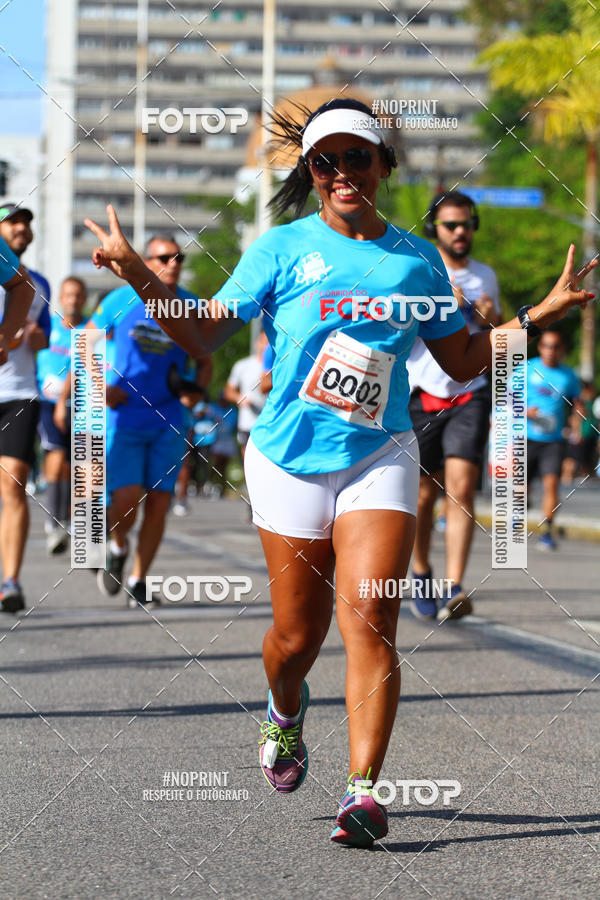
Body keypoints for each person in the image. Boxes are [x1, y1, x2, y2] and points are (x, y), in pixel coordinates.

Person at [83, 97, 596, 848]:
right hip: (288, 458)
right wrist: (136, 272)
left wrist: (536, 317)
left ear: (384, 166)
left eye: (359, 156)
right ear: (312, 173)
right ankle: (285, 708)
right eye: (327, 161)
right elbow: (201, 334)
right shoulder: (280, 249)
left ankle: (362, 794)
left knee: (371, 616)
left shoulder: (418, 260)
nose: (343, 172)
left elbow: (457, 361)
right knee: (295, 639)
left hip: (379, 452)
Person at [85, 234, 210, 608]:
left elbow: (205, 359)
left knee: (158, 501)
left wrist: (196, 391)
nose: (172, 263)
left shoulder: (191, 304)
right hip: (125, 417)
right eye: (162, 257)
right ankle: (117, 545)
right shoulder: (121, 299)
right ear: (146, 261)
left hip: (170, 418)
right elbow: (85, 342)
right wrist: (101, 390)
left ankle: (139, 580)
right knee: (126, 500)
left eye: (178, 257)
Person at [406, 191, 502, 622]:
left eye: (465, 224)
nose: (460, 232)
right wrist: (446, 303)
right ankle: (422, 570)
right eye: (450, 225)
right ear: (434, 230)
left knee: (461, 487)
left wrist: (490, 315)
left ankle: (455, 587)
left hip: (471, 390)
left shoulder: (486, 274)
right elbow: (402, 328)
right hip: (422, 391)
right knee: (424, 494)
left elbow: (499, 335)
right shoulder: (421, 270)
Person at [0, 204, 50, 612]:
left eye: (25, 222)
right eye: (12, 220)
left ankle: (11, 582)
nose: (20, 228)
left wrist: (11, 336)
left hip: (19, 391)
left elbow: (46, 337)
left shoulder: (39, 282)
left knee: (13, 482)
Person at [36, 276, 88, 553]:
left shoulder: (91, 329)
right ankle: (54, 523)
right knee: (54, 457)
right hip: (47, 402)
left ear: (84, 298)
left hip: (81, 404)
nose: (73, 300)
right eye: (68, 294)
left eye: (78, 295)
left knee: (74, 465)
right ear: (61, 297)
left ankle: (69, 520)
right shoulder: (50, 326)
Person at [526, 328, 581, 550]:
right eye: (546, 345)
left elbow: (577, 403)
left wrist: (577, 423)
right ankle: (521, 506)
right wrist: (524, 411)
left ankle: (547, 531)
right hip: (525, 436)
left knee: (552, 484)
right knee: (521, 488)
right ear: (540, 347)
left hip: (554, 439)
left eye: (555, 346)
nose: (550, 351)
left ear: (561, 349)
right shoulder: (527, 368)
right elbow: (505, 397)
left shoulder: (568, 376)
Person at [224, 330, 269, 460]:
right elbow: (228, 392)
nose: (266, 346)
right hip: (248, 422)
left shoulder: (277, 367)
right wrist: (240, 398)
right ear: (257, 343)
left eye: (269, 342)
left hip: (269, 422)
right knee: (248, 460)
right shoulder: (243, 365)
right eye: (263, 341)